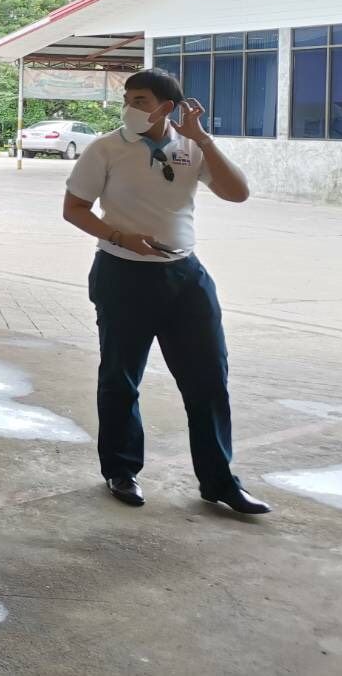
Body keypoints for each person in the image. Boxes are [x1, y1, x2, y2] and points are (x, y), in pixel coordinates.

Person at [62, 69, 268, 514]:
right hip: (122, 275)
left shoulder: (191, 147)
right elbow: (74, 208)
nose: (129, 108)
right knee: (120, 379)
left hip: (186, 278)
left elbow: (237, 193)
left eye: (139, 100)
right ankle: (121, 470)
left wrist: (204, 140)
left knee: (209, 378)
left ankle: (219, 481)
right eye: (128, 99)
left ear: (166, 107)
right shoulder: (106, 148)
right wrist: (119, 236)